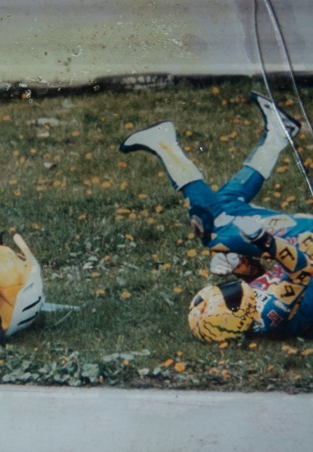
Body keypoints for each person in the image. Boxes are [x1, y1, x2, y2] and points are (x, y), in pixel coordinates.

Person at [119, 91, 313, 341]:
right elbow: (301, 270)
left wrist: (240, 267)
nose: (228, 288)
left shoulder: (252, 314)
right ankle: (165, 144)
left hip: (302, 246)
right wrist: (263, 240)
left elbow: (269, 281)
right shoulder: (267, 315)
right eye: (228, 295)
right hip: (306, 244)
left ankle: (276, 135)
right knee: (216, 231)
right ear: (236, 316)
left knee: (225, 206)